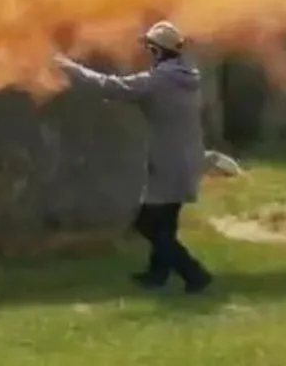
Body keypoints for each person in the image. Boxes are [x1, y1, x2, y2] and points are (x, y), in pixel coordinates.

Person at [54, 20, 212, 294]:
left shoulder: (160, 80)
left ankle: (194, 273)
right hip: (186, 158)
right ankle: (157, 274)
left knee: (148, 223)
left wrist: (69, 67)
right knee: (165, 223)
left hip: (168, 161)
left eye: (151, 47)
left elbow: (110, 86)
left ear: (158, 50)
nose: (148, 51)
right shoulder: (187, 74)